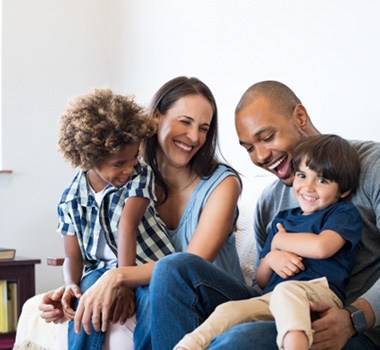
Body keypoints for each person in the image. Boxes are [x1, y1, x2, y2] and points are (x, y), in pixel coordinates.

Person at [148, 80, 380, 350]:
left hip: (353, 329)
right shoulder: (269, 203)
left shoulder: (371, 165)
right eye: (248, 148)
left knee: (237, 340)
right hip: (280, 311)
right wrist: (272, 258)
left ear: (300, 117)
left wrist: (355, 317)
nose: (260, 157)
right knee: (172, 269)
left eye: (267, 137)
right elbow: (263, 284)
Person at [36, 76, 244, 349]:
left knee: (167, 274)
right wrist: (73, 289)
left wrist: (119, 276)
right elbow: (99, 248)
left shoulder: (222, 184)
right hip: (161, 291)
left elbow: (187, 268)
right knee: (95, 287)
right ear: (156, 118)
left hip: (210, 295)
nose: (194, 137)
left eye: (204, 128)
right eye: (185, 121)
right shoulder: (126, 175)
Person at [174, 134, 362, 350]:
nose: (308, 187)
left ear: (344, 191)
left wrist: (281, 241)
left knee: (286, 292)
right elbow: (262, 280)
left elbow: (322, 247)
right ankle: (187, 346)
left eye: (322, 180)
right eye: (302, 175)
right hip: (274, 297)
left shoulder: (341, 213)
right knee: (229, 310)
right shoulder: (282, 220)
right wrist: (272, 256)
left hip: (318, 294)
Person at [56, 87, 175, 349]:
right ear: (90, 158)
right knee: (85, 298)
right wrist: (70, 286)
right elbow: (72, 257)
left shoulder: (140, 175)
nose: (129, 168)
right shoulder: (70, 199)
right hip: (98, 271)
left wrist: (124, 284)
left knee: (153, 300)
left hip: (145, 266)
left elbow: (127, 225)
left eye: (134, 157)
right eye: (119, 163)